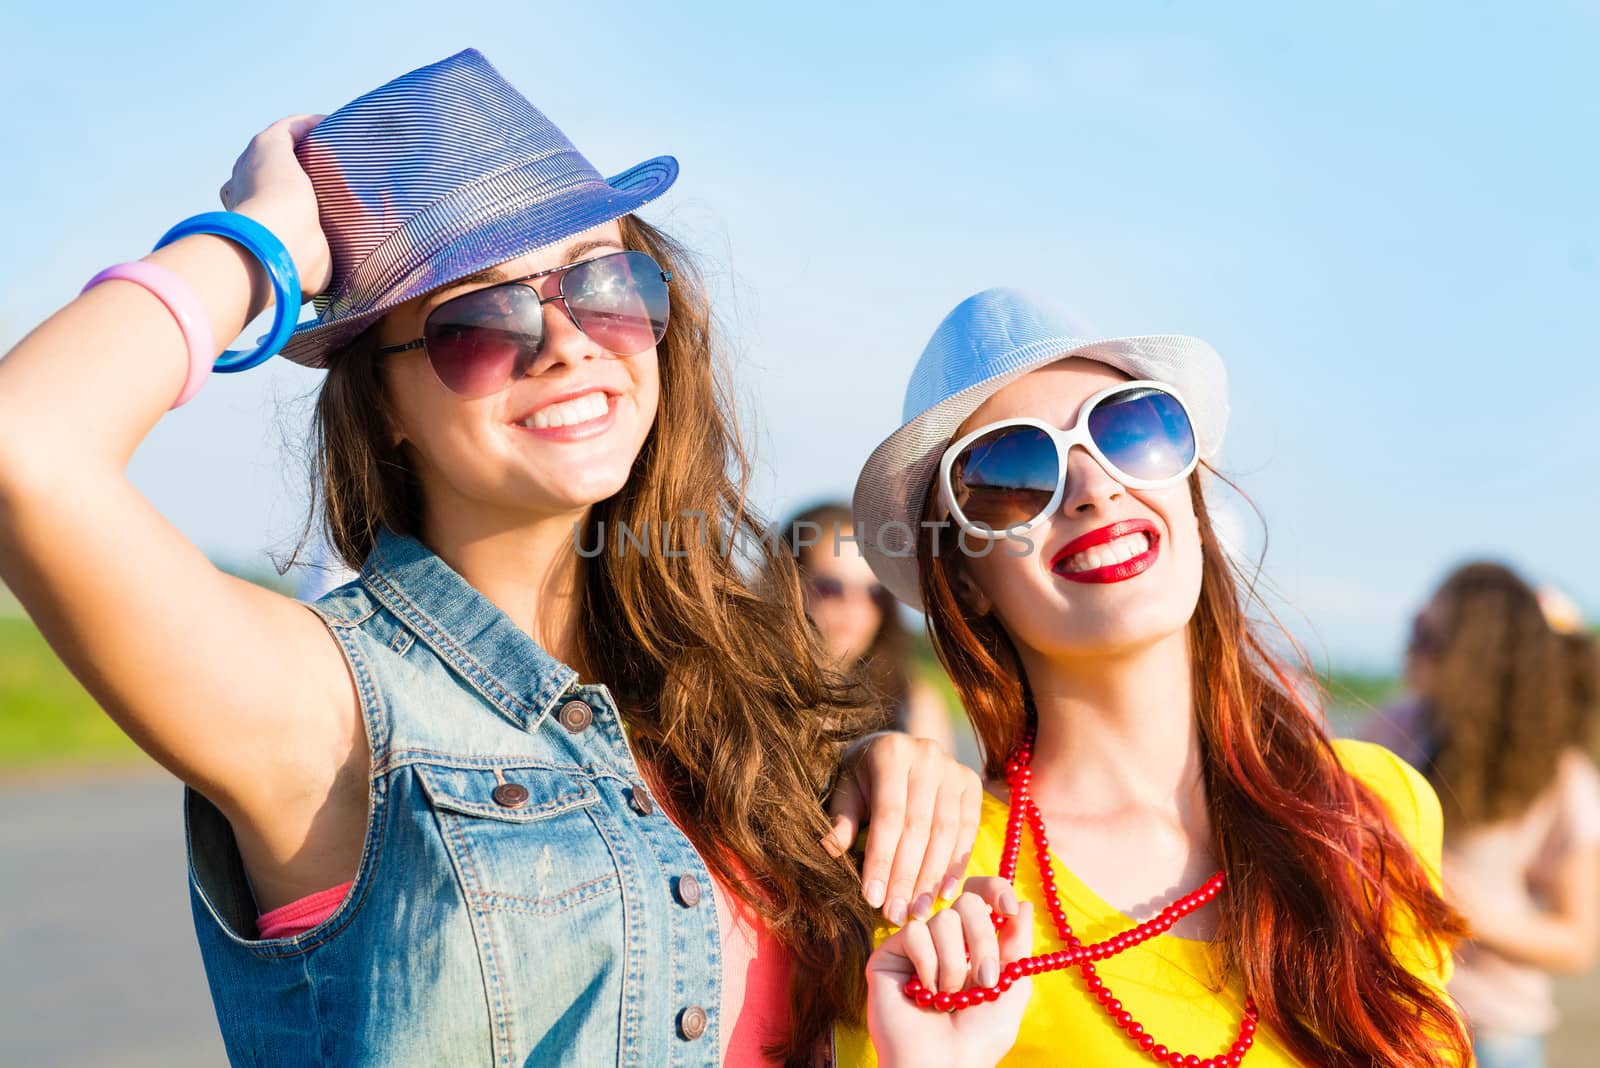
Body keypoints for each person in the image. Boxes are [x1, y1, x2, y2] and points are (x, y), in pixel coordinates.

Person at [0, 50, 986, 1066]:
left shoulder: (736, 694)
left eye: (605, 285)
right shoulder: (325, 704)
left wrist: (874, 772)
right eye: (475, 320)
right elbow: (25, 446)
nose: (566, 344)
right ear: (383, 405)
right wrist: (267, 246)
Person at [840, 289, 1472, 1066]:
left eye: (1130, 430)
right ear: (965, 578)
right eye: (1013, 472)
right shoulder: (924, 884)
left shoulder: (1377, 811)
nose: (1095, 489)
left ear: (1191, 494)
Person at [1365, 563, 1600, 1068]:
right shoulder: (1394, 727)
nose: (1410, 647)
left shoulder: (1562, 777)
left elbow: (1578, 942)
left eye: (1428, 636)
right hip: (1386, 1016)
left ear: (1479, 656)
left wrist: (1463, 908)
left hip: (1491, 1031)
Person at [782, 502, 957, 762]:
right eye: (831, 588)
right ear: (787, 585)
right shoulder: (745, 694)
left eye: (874, 593)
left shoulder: (914, 704)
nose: (855, 607)